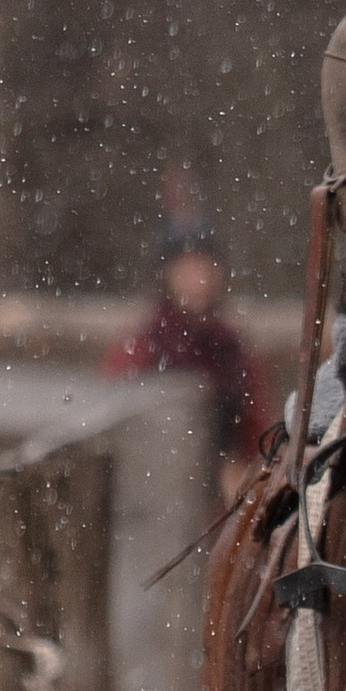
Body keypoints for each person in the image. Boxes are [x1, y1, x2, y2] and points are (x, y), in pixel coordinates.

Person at [101, 206, 271, 505]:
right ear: (167, 275)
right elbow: (111, 429)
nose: (199, 278)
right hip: (149, 503)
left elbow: (256, 438)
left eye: (205, 267)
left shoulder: (234, 353)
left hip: (216, 510)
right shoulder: (141, 349)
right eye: (188, 268)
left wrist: (243, 477)